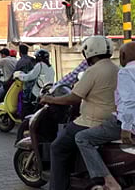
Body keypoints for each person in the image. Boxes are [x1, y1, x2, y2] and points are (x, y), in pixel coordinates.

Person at [40, 35, 118, 190]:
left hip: (91, 121)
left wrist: (50, 99)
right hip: (112, 119)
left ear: (88, 52)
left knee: (57, 147)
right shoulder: (116, 68)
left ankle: (58, 187)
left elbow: (74, 98)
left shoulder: (93, 71)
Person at [74, 41, 135, 190]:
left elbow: (129, 102)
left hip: (124, 122)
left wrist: (126, 128)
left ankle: (108, 181)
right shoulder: (115, 69)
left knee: (82, 138)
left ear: (123, 55)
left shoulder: (126, 71)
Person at [13, 49, 55, 118]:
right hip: (47, 92)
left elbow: (30, 76)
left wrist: (19, 75)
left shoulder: (40, 65)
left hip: (37, 93)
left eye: (36, 57)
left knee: (26, 106)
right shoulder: (51, 68)